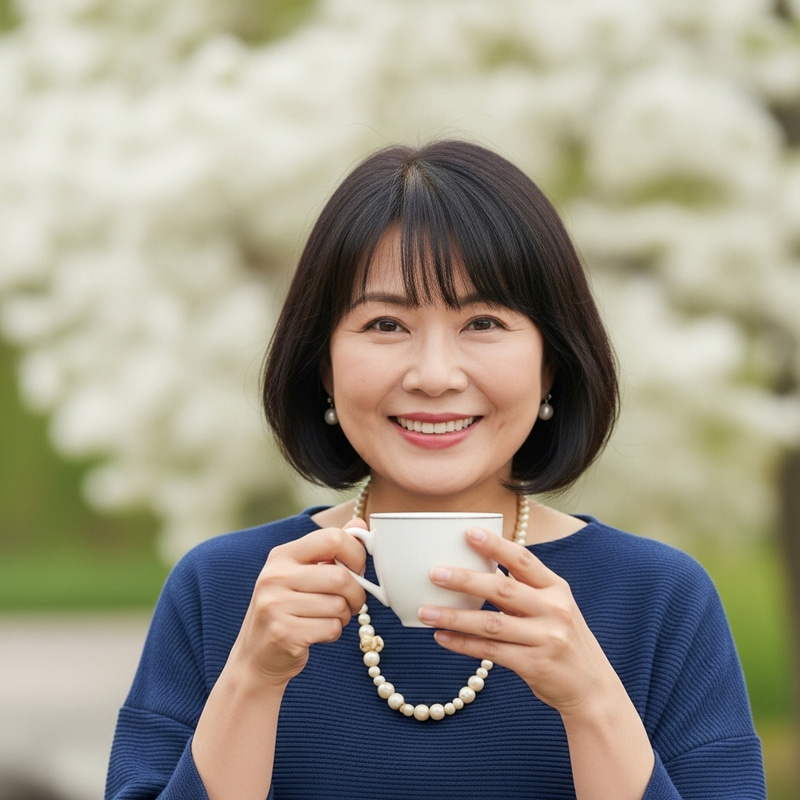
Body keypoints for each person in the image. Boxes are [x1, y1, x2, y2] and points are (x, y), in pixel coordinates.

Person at [105, 140, 766, 800]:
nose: (435, 376)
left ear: (551, 364)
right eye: (387, 323)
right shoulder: (221, 593)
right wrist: (251, 677)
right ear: (323, 365)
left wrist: (592, 700)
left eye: (482, 321)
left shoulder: (659, 602)